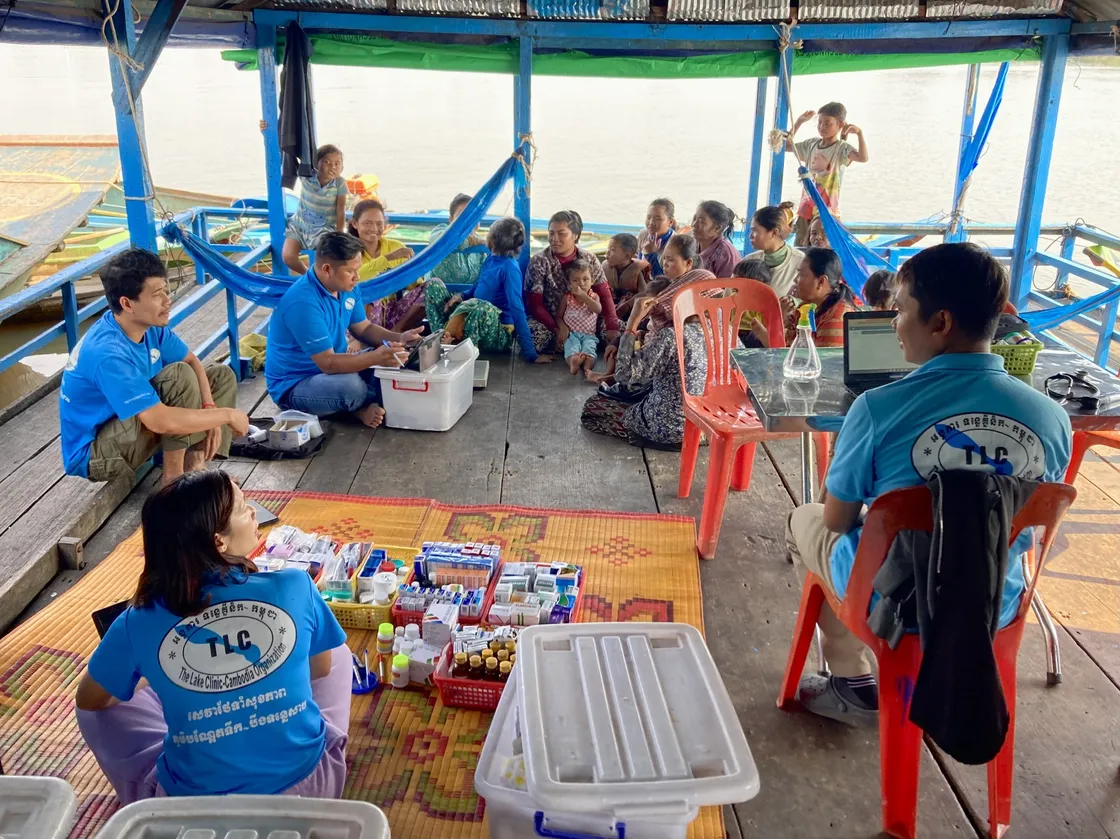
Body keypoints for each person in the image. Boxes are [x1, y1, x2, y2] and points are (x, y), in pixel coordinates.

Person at [785, 242, 1072, 725]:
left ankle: (851, 678)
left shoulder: (878, 408)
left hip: (897, 600)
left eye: (899, 311)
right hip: (993, 599)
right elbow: (1025, 529)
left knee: (808, 518)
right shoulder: (1050, 417)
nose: (893, 324)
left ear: (939, 323)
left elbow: (837, 519)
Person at [75, 471, 352, 801]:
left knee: (98, 701)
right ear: (218, 542)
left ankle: (142, 791)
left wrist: (160, 678)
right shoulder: (294, 585)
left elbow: (89, 700)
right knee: (337, 653)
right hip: (310, 790)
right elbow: (320, 669)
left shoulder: (137, 620)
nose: (253, 513)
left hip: (192, 809)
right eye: (243, 507)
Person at [59, 248, 247, 487]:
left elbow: (192, 360)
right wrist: (224, 415)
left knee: (220, 376)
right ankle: (173, 481)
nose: (167, 301)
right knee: (179, 378)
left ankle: (196, 465)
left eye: (166, 291)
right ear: (127, 303)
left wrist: (210, 408)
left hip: (129, 424)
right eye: (157, 295)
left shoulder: (151, 326)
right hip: (98, 452)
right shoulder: (107, 353)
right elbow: (159, 421)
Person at [265, 232, 421, 428]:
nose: (357, 277)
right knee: (351, 388)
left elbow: (364, 329)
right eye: (351, 271)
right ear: (327, 269)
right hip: (296, 384)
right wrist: (374, 358)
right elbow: (328, 364)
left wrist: (400, 338)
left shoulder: (348, 287)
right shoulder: (302, 302)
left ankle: (363, 402)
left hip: (336, 368)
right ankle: (359, 408)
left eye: (358, 269)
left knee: (398, 361)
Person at [581, 235, 715, 449]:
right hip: (712, 423)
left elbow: (625, 376)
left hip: (671, 427)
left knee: (592, 408)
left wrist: (633, 323)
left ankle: (643, 436)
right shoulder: (724, 329)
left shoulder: (670, 336)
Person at [424, 218, 548, 363]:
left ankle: (460, 349)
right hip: (470, 317)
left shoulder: (509, 268)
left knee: (482, 307)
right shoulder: (490, 259)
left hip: (497, 332)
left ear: (494, 239)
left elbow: (517, 308)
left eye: (489, 232)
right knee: (433, 286)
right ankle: (444, 336)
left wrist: (531, 354)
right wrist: (461, 296)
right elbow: (479, 287)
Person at [526, 210, 621, 355]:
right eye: (551, 233)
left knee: (619, 334)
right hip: (551, 319)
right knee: (534, 338)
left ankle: (577, 343)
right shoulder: (539, 261)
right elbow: (535, 305)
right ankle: (574, 343)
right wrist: (557, 328)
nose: (554, 239)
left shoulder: (589, 259)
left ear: (575, 236)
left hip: (589, 320)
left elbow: (605, 295)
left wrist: (612, 327)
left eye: (561, 233)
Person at [787, 103, 869, 246]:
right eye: (819, 123)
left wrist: (859, 133)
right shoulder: (811, 144)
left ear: (840, 125)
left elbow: (863, 157)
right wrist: (799, 122)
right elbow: (786, 146)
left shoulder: (841, 148)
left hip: (827, 211)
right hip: (806, 208)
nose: (822, 127)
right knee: (801, 249)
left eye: (827, 123)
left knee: (824, 250)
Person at [747, 248, 857, 350]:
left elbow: (824, 365)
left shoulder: (836, 317)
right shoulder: (805, 308)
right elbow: (790, 344)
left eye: (801, 275)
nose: (795, 280)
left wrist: (769, 330)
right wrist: (781, 321)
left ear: (821, 281)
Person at [349, 199, 423, 333]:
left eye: (379, 224)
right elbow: (353, 279)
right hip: (360, 318)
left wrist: (413, 272)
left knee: (433, 286)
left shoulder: (396, 247)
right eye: (367, 223)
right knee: (374, 288)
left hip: (393, 314)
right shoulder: (348, 251)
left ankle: (396, 336)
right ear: (355, 224)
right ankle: (361, 340)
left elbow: (415, 286)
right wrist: (387, 259)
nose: (374, 229)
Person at [282, 144, 348, 274]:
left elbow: (340, 211)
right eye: (327, 162)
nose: (333, 167)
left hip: (325, 229)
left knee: (326, 260)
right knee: (288, 257)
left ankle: (320, 279)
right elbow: (288, 154)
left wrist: (339, 235)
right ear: (316, 163)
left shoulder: (340, 183)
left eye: (337, 163)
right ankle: (308, 276)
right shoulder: (307, 176)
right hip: (299, 226)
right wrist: (266, 132)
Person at [742, 202, 803, 297]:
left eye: (755, 231)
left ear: (774, 232)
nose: (750, 236)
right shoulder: (748, 261)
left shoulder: (800, 263)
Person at [557, 260, 603, 377]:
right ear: (569, 283)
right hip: (572, 335)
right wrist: (562, 326)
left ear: (591, 281)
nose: (581, 283)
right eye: (575, 280)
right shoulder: (567, 298)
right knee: (571, 349)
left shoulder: (593, 297)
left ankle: (588, 369)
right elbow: (558, 316)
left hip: (589, 335)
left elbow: (597, 309)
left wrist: (583, 296)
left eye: (585, 279)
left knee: (589, 351)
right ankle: (573, 363)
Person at [430, 193, 487, 286]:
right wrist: (474, 241)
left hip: (470, 298)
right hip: (439, 296)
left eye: (473, 216)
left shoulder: (482, 246)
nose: (468, 221)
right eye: (461, 217)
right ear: (451, 219)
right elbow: (443, 241)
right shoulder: (441, 231)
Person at [691, 201, 741, 279]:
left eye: (701, 222)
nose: (694, 224)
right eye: (694, 219)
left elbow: (728, 289)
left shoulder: (726, 255)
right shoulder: (691, 243)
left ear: (717, 228)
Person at [603, 233, 650, 313]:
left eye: (613, 250)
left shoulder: (637, 270)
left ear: (627, 256)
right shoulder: (604, 267)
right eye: (608, 249)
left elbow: (644, 293)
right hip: (609, 304)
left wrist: (627, 305)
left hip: (630, 308)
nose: (607, 253)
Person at [636, 198, 676, 276]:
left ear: (670, 222)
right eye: (648, 217)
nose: (651, 222)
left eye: (658, 219)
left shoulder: (675, 244)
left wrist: (650, 255)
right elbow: (639, 265)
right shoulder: (643, 234)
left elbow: (664, 281)